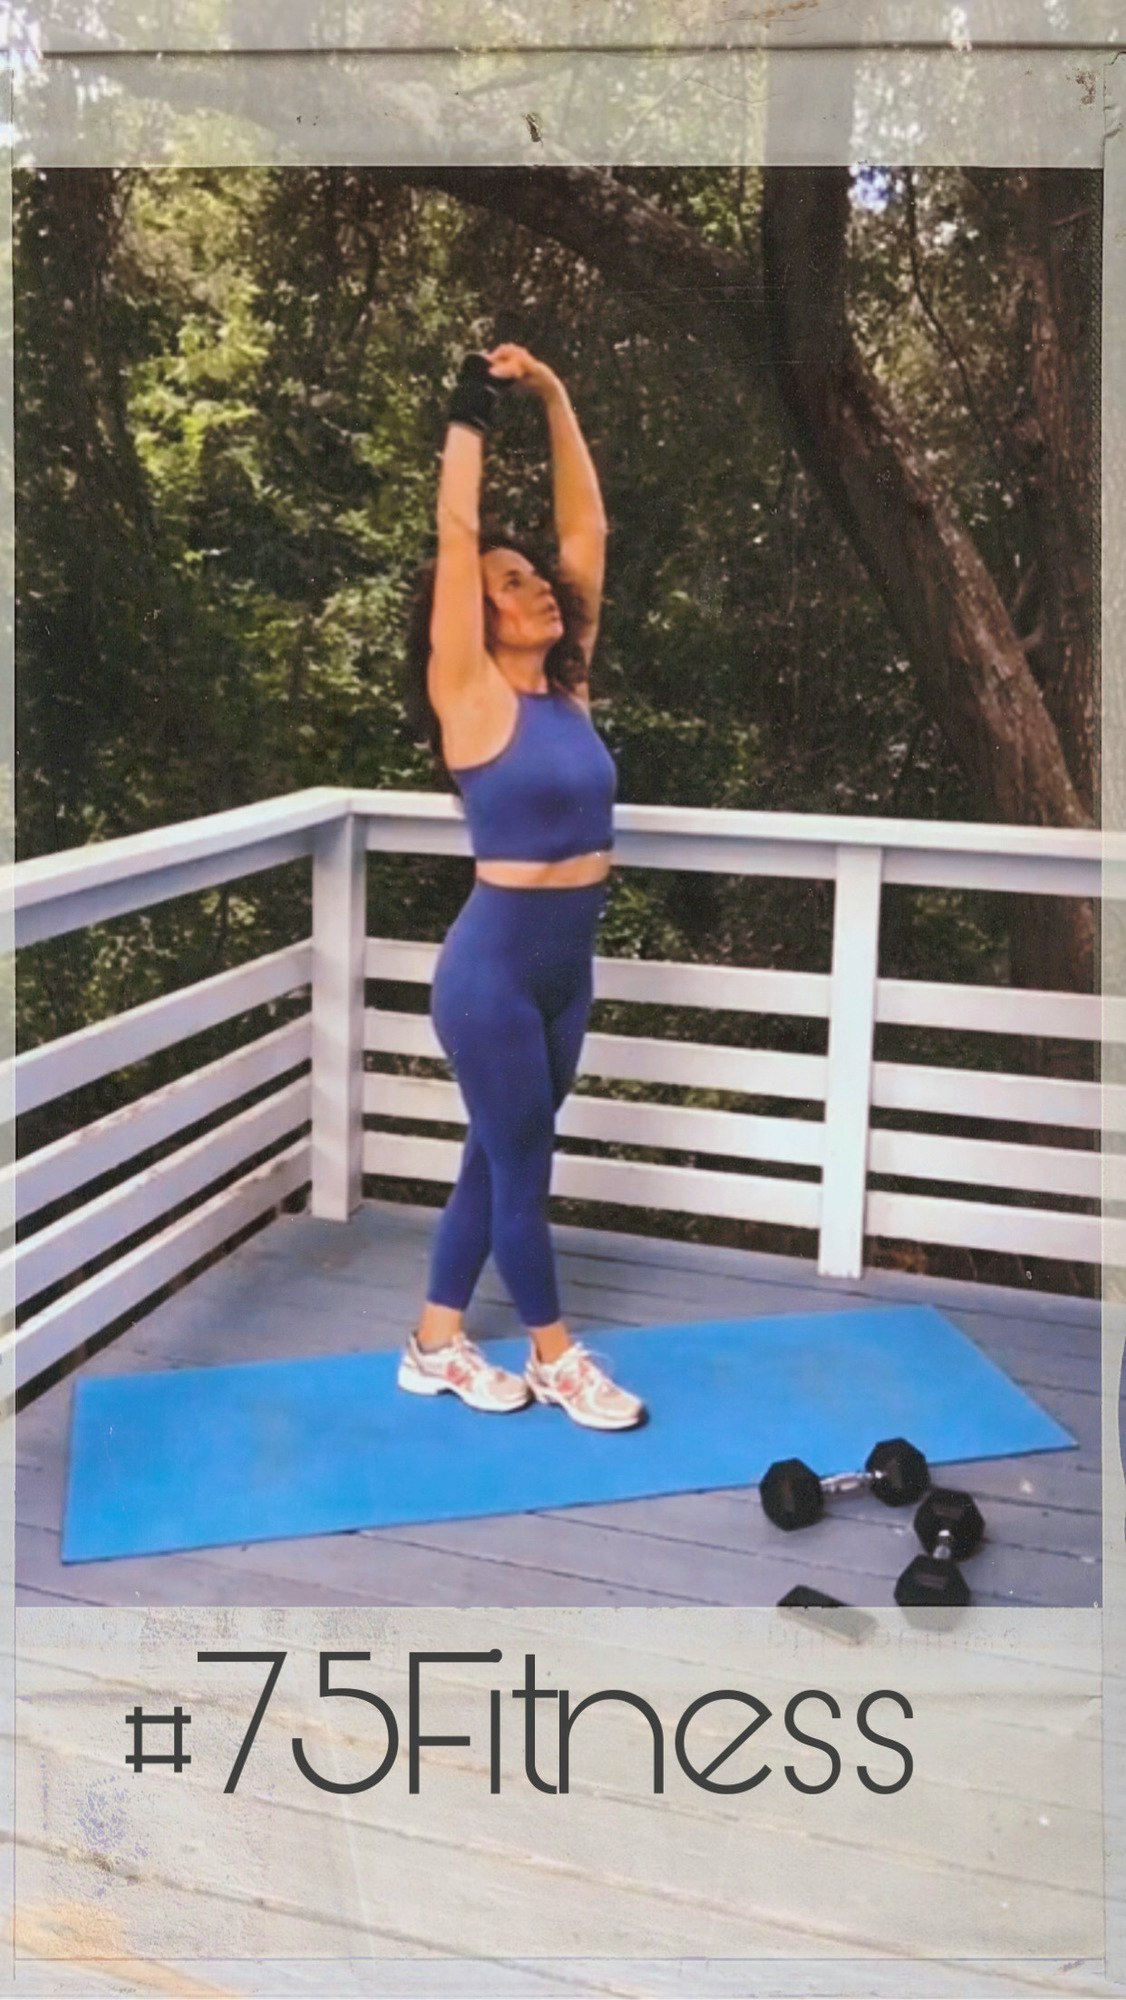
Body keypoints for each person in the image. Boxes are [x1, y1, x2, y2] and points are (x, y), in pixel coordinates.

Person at [398, 344, 645, 1431]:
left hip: (563, 974)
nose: (536, 583)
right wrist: (471, 414)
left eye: (534, 576)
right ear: (478, 614)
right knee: (525, 1163)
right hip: (491, 976)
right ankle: (554, 1355)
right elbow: (456, 538)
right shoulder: (470, 694)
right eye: (510, 583)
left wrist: (553, 394)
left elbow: (587, 533)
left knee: (495, 1159)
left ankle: (434, 1343)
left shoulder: (567, 690)